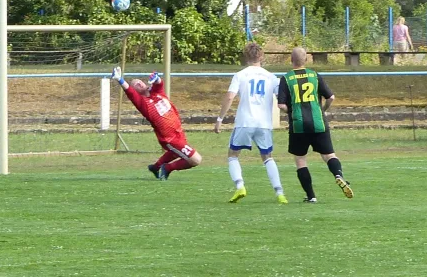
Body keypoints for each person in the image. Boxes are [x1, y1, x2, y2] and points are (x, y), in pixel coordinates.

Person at [277, 47, 353, 203]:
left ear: (291, 60)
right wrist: (322, 110)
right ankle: (338, 175)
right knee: (329, 155)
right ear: (306, 60)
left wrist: (292, 112)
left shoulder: (286, 79)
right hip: (318, 121)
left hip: (298, 125)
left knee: (300, 160)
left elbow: (281, 106)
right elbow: (331, 97)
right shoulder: (315, 75)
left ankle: (311, 196)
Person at [214, 43, 288, 204]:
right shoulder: (271, 77)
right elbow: (282, 100)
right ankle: (279, 193)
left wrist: (220, 119)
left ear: (246, 57)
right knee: (268, 157)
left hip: (245, 121)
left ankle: (240, 186)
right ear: (261, 57)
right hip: (264, 124)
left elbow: (229, 97)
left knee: (233, 155)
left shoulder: (241, 75)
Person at [111, 67, 202, 180]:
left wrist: (156, 77)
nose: (139, 83)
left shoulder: (157, 93)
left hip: (178, 133)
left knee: (175, 153)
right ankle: (168, 168)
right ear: (136, 91)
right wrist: (120, 79)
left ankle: (155, 167)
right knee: (196, 160)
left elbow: (159, 83)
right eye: (135, 85)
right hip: (170, 138)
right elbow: (129, 92)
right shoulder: (143, 103)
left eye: (139, 81)